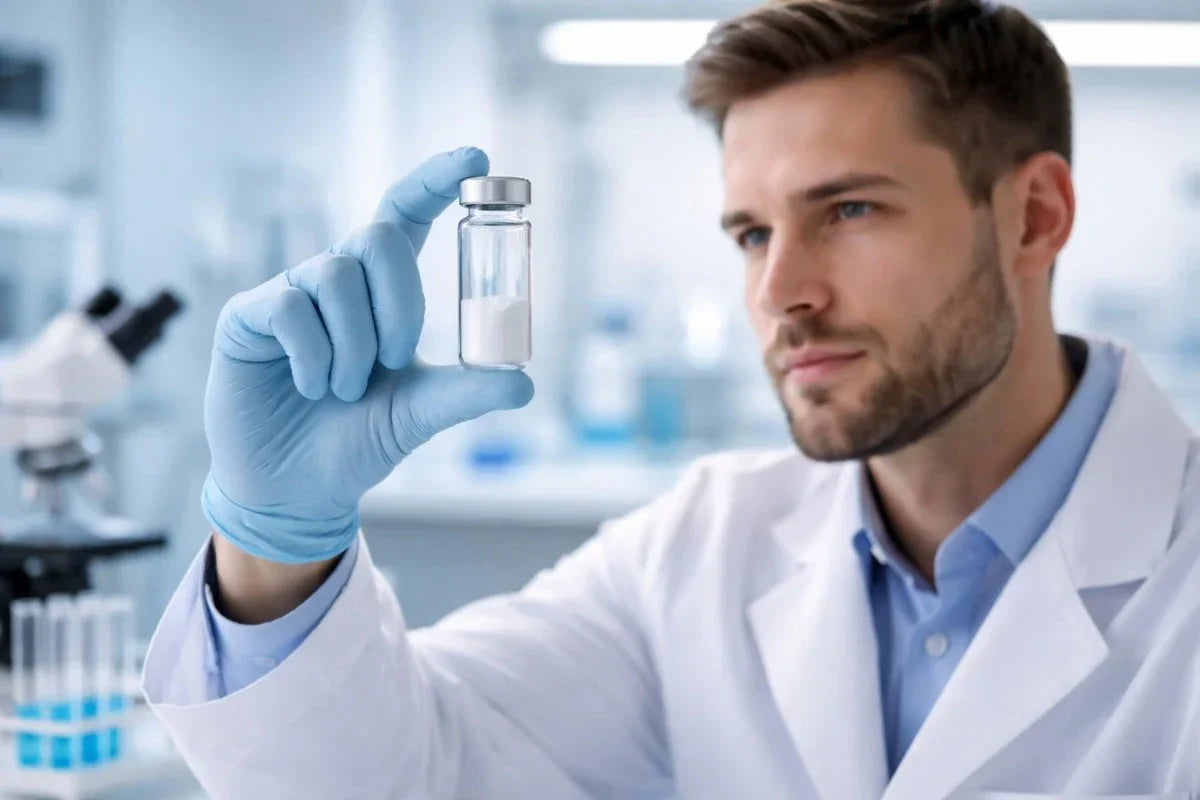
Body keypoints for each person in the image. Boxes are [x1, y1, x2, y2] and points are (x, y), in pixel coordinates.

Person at [143, 1, 1200, 797]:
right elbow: (409, 771)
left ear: (1034, 216)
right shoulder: (697, 549)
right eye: (751, 233)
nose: (780, 291)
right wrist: (277, 545)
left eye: (850, 208)